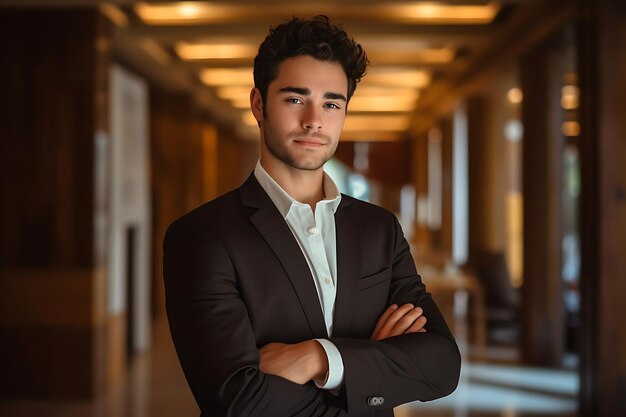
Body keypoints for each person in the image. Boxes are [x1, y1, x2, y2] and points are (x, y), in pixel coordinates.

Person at [163, 15, 461, 417]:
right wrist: (371, 363)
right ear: (258, 105)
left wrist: (319, 359)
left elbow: (442, 364)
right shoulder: (201, 237)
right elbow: (238, 402)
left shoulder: (379, 229)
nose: (314, 121)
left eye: (331, 103)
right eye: (295, 99)